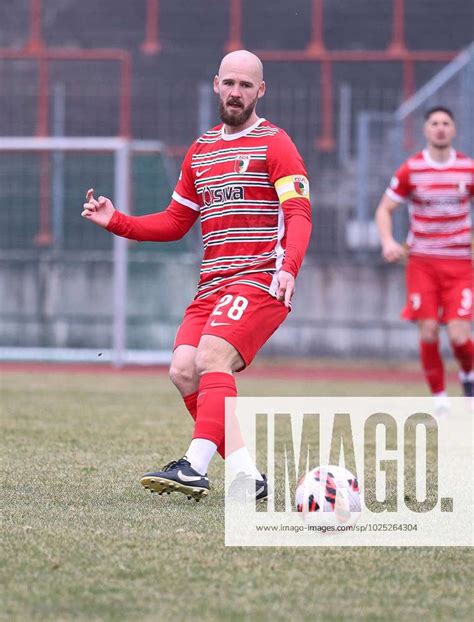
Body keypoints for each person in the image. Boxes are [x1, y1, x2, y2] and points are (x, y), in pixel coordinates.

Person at [82, 50, 312, 501]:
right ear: (215, 84)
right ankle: (249, 475)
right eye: (229, 83)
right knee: (183, 370)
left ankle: (195, 466)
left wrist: (289, 268)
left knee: (211, 358)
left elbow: (299, 213)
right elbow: (174, 221)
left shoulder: (276, 144)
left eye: (246, 85)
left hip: (260, 278)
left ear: (260, 91)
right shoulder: (201, 150)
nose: (236, 92)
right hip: (212, 285)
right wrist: (117, 221)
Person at [375, 106, 473, 412]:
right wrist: (388, 241)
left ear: (454, 130)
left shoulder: (468, 169)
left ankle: (468, 375)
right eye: (435, 123)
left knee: (459, 334)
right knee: (429, 330)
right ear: (426, 130)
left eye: (446, 123)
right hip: (422, 263)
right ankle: (441, 402)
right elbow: (384, 209)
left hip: (460, 264)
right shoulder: (412, 169)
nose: (441, 128)